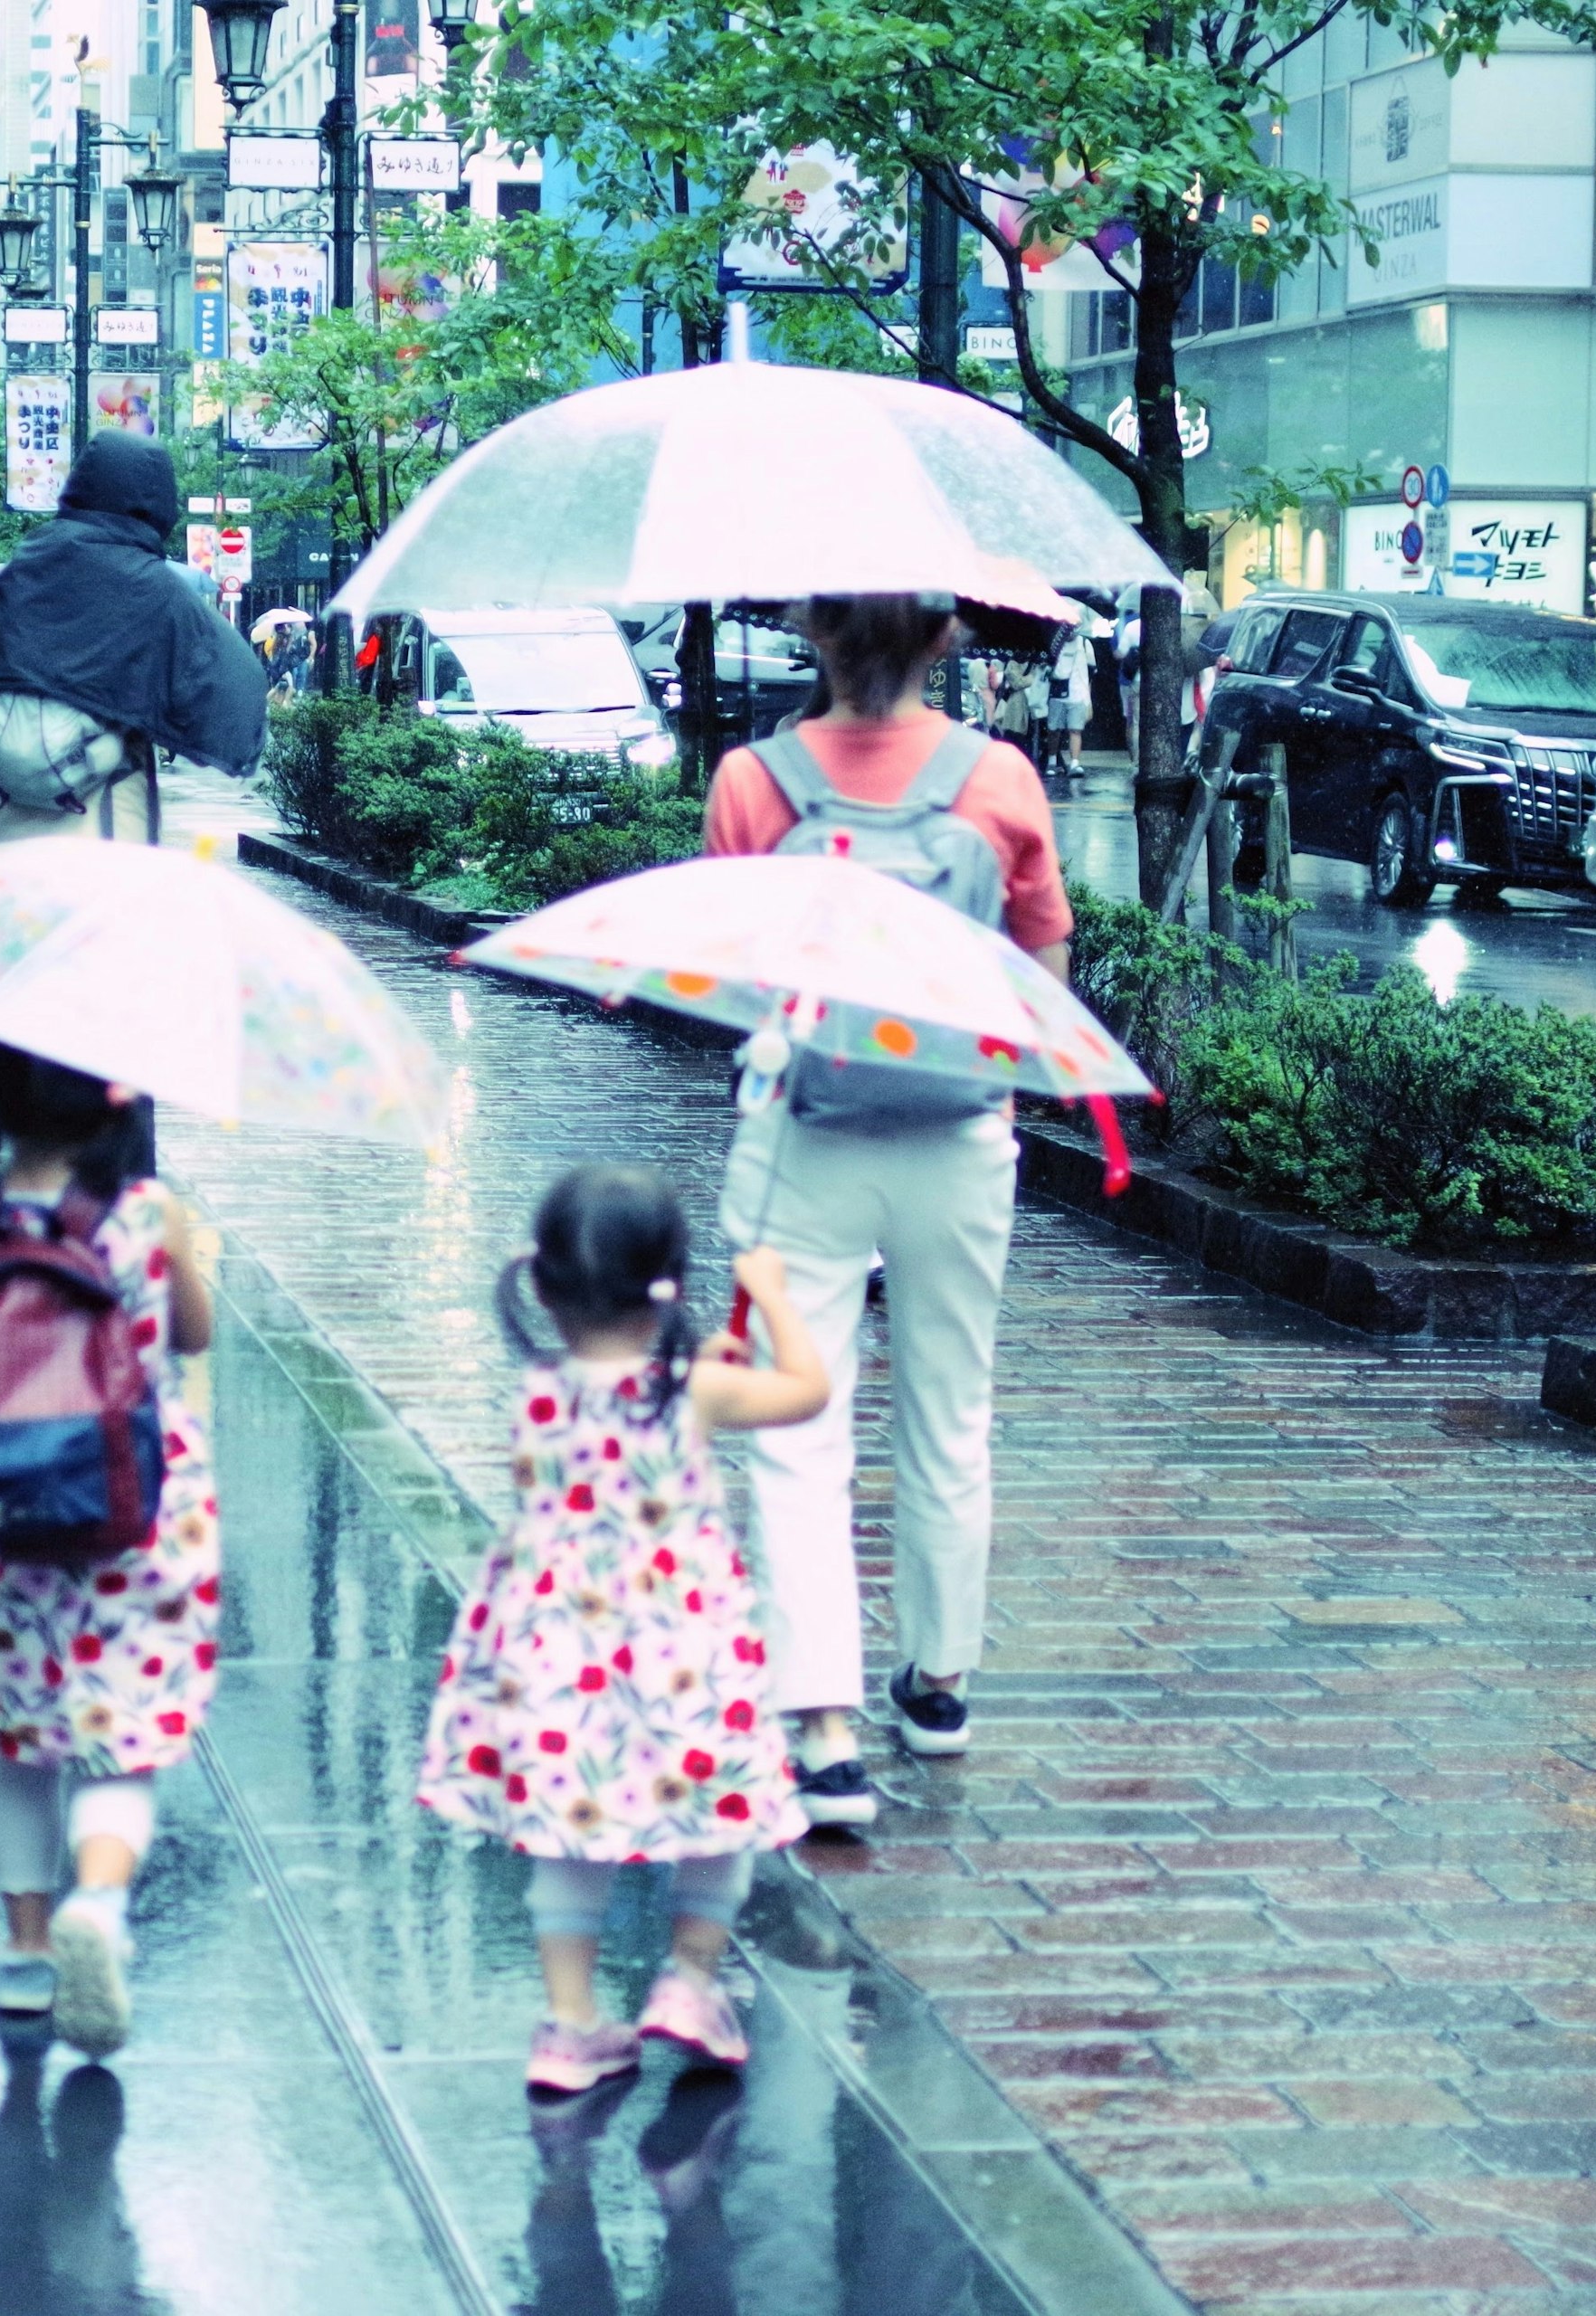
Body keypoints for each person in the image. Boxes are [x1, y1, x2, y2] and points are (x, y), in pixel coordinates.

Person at [703, 593, 1072, 1830]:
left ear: (811, 631)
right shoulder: (1002, 779)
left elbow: (732, 968)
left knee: (798, 1430)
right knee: (950, 1412)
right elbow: (1042, 964)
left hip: (808, 1129)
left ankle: (821, 1729)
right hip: (963, 1134)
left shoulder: (756, 783)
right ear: (945, 638)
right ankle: (941, 1682)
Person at [413, 1164, 828, 2095]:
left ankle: (569, 2025)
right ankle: (689, 1980)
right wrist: (769, 1297)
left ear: (548, 1289)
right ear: (668, 1284)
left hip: (557, 1653)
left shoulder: (539, 1389)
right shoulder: (689, 1397)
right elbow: (805, 1389)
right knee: (719, 1807)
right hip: (681, 1650)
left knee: (569, 1827)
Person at [0, 1039, 220, 2058]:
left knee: (17, 1737)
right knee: (124, 1730)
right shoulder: (153, 1218)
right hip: (132, 1519)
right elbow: (190, 1338)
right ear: (120, 1097)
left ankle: (24, 1956)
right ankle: (98, 1904)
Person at [0, 432, 268, 847]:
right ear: (160, 502)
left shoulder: (18, 579)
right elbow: (239, 689)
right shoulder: (160, 594)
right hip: (109, 826)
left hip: (6, 822)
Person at [1043, 620, 1093, 778]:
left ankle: (1075, 763)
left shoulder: (1085, 643)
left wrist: (1088, 698)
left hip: (1078, 693)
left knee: (1075, 730)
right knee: (1053, 730)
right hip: (1057, 693)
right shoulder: (1056, 644)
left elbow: (1091, 672)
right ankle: (1052, 763)